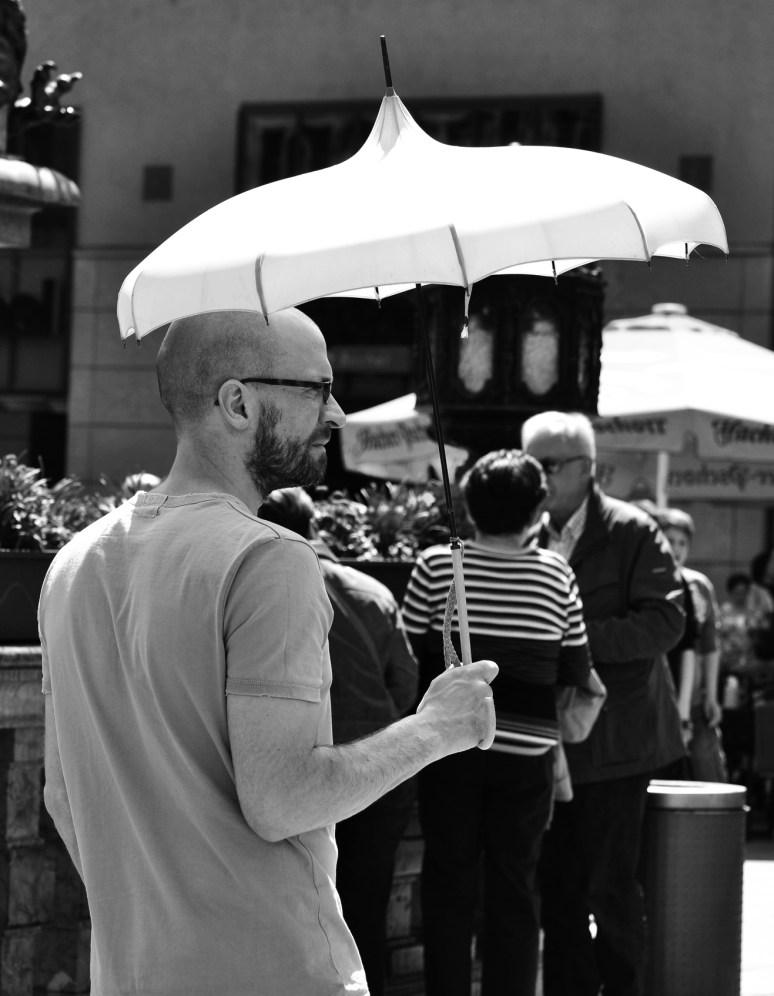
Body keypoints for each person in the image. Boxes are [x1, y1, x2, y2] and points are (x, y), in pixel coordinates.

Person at [40, 307, 498, 996]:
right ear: (237, 403)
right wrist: (437, 729)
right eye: (318, 389)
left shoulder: (72, 563)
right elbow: (283, 799)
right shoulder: (270, 557)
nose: (337, 413)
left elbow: (61, 797)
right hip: (278, 973)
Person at [401, 449, 593, 996]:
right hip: (528, 756)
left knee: (448, 882)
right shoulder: (557, 574)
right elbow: (575, 666)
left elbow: (409, 655)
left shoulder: (438, 565)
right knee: (516, 887)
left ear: (469, 506)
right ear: (537, 510)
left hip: (449, 749)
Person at [521, 411, 685, 996]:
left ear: (587, 468)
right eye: (530, 465)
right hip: (555, 744)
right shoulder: (528, 534)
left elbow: (666, 621)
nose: (537, 477)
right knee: (559, 890)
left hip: (619, 744)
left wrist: (574, 639)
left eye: (548, 465)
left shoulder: (632, 530)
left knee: (610, 890)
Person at [259, 485, 419, 996]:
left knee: (292, 921)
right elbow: (405, 683)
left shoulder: (258, 589)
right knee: (365, 916)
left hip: (301, 777)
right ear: (314, 524)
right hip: (376, 776)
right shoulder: (371, 591)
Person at [655, 506, 726, 782]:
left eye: (682, 543)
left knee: (708, 773)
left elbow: (708, 644)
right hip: (658, 697)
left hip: (694, 699)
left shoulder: (698, 585)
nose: (676, 548)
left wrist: (711, 696)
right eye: (670, 540)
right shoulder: (648, 582)